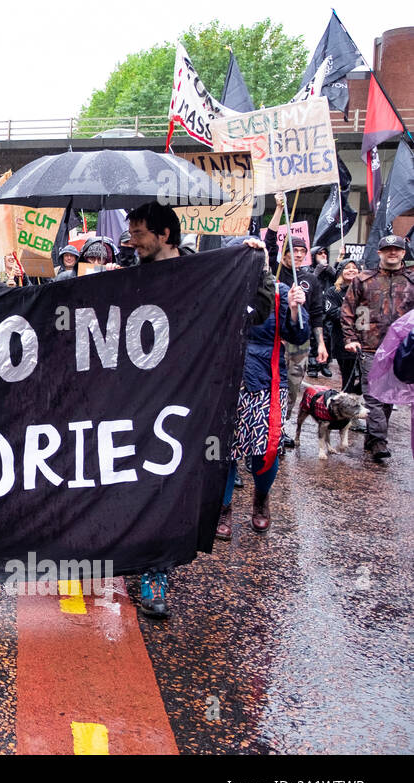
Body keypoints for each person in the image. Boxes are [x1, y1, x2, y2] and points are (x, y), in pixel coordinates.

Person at [125, 201, 274, 619]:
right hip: (137, 399)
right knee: (135, 480)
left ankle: (157, 571)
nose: (132, 242)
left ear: (164, 235)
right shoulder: (131, 279)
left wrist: (253, 266)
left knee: (167, 483)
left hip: (187, 402)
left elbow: (258, 308)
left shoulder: (209, 272)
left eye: (138, 234)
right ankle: (130, 551)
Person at [217, 266, 309, 541]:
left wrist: (295, 309)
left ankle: (261, 499)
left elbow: (298, 337)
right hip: (225, 379)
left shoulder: (281, 294)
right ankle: (223, 508)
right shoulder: (222, 287)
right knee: (224, 450)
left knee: (265, 450)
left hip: (267, 382)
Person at [341, 234, 414, 463]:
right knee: (372, 395)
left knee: (388, 396)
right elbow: (347, 311)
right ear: (380, 252)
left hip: (401, 350)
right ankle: (380, 440)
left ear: (403, 253)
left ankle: (373, 439)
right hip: (369, 347)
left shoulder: (412, 281)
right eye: (387, 249)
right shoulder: (363, 280)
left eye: (397, 249)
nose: (392, 253)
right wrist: (350, 338)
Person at [277, 236, 327, 445]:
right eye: (293, 250)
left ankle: (280, 428)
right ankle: (269, 425)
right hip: (275, 340)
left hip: (300, 343)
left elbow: (316, 314)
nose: (297, 255)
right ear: (284, 252)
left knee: (292, 387)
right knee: (273, 385)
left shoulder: (310, 280)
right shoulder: (274, 272)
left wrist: (321, 343)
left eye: (302, 251)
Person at [322, 260, 361, 391]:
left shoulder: (365, 290)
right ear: (340, 272)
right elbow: (333, 313)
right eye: (347, 268)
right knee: (348, 377)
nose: (351, 270)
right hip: (342, 340)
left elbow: (368, 314)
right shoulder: (332, 292)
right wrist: (354, 309)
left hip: (363, 340)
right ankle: (345, 405)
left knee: (365, 377)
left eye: (354, 268)